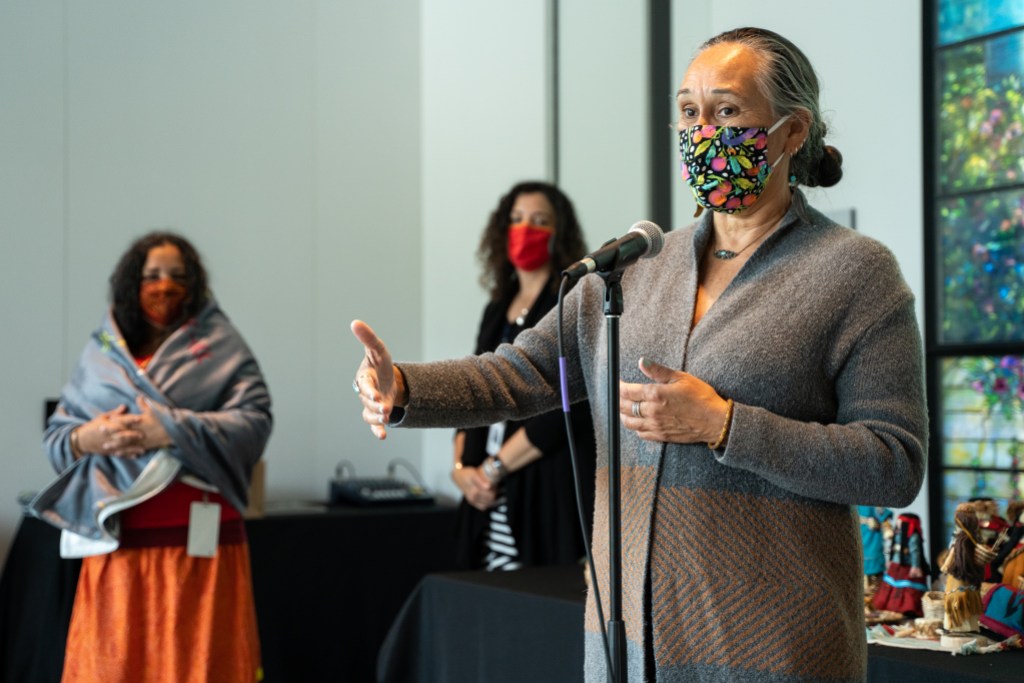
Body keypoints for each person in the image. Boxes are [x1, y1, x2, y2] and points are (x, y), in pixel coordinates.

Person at [351, 26, 926, 683]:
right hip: (629, 646)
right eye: (689, 111)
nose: (702, 130)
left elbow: (893, 462)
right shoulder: (638, 267)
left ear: (792, 133)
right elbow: (520, 371)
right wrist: (405, 389)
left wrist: (724, 425)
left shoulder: (854, 272)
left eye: (727, 111)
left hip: (773, 648)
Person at [29, 232, 271, 682]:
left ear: (195, 284)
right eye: (152, 276)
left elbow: (254, 424)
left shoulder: (222, 346)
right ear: (130, 283)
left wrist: (171, 428)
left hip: (203, 551)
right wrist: (91, 436)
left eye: (178, 277)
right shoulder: (103, 352)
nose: (164, 287)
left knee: (204, 667)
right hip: (117, 549)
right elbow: (58, 438)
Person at [451, 181, 596, 571]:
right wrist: (463, 471)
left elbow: (568, 403)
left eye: (539, 221)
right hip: (484, 495)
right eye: (516, 219)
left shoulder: (569, 301)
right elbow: (475, 387)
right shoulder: (496, 308)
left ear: (558, 234)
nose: (525, 229)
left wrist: (494, 467)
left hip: (543, 491)